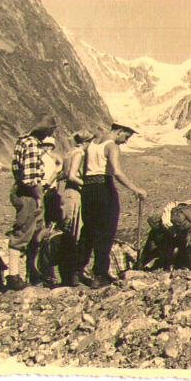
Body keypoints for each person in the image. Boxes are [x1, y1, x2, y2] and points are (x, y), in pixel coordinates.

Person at [77, 123, 148, 289]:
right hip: (104, 188)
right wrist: (136, 189)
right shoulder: (112, 146)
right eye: (126, 137)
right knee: (106, 231)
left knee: (88, 230)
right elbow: (116, 171)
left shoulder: (92, 144)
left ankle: (77, 269)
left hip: (88, 189)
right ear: (120, 131)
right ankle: (100, 273)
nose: (125, 141)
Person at [6, 116, 58, 291]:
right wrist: (38, 198)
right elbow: (29, 179)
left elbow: (16, 169)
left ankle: (33, 272)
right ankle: (13, 276)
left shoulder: (22, 141)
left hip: (21, 191)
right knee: (23, 234)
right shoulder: (33, 145)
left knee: (35, 233)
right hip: (29, 194)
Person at [57, 129, 95, 287]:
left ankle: (66, 274)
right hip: (74, 194)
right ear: (87, 142)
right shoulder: (79, 153)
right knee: (74, 235)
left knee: (67, 233)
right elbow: (73, 175)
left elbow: (62, 174)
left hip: (66, 193)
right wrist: (87, 185)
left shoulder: (69, 153)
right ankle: (72, 275)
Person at [40, 136, 63, 228]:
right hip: (47, 184)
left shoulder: (53, 156)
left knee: (48, 208)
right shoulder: (53, 156)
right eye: (45, 145)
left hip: (48, 185)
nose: (46, 147)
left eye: (48, 145)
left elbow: (59, 168)